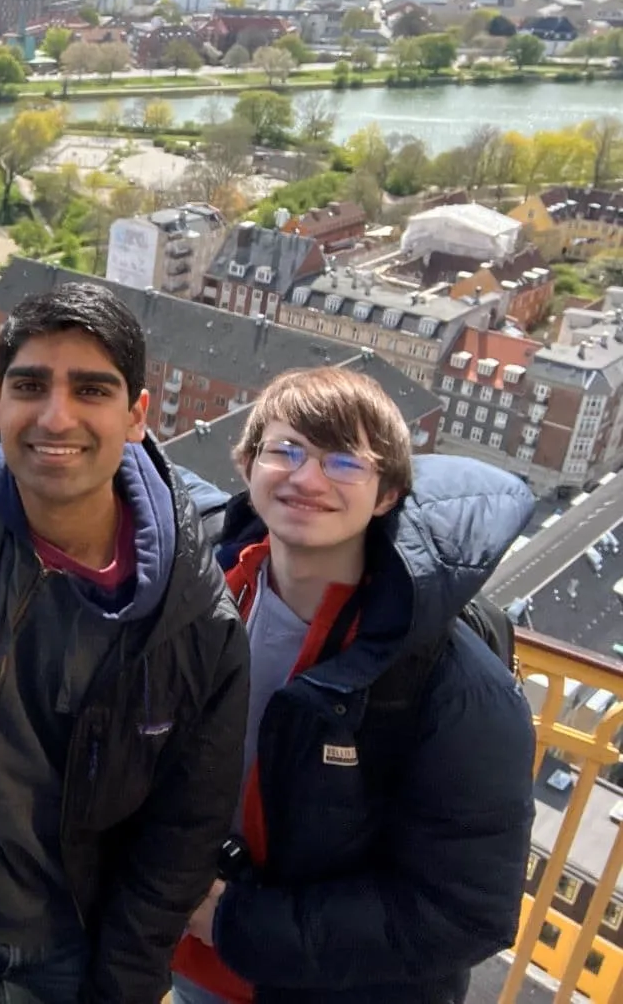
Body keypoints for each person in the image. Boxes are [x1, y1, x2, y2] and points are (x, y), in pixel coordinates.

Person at [0, 282, 250, 1004]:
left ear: (137, 416)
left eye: (91, 390)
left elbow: (181, 838)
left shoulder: (193, 620)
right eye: (30, 385)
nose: (56, 415)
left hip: (60, 956)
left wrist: (120, 988)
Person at [170, 367, 535, 1004]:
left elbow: (465, 910)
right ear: (247, 465)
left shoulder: (454, 686)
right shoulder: (205, 594)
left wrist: (236, 924)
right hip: (193, 963)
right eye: (285, 451)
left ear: (388, 493)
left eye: (344, 462)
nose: (307, 479)